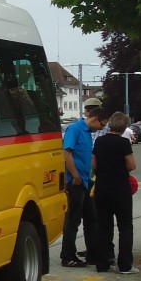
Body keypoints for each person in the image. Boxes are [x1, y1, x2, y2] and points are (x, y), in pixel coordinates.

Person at [60, 104, 106, 267]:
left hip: (86, 181)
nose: (101, 128)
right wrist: (75, 175)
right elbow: (67, 153)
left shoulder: (87, 132)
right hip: (76, 181)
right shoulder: (75, 129)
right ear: (95, 119)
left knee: (91, 218)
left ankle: (92, 254)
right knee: (73, 220)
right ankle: (68, 256)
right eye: (101, 125)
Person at [93, 112, 139, 274]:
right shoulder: (124, 143)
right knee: (125, 227)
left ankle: (103, 264)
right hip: (120, 188)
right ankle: (125, 265)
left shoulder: (99, 141)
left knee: (103, 226)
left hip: (102, 188)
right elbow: (131, 165)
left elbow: (94, 164)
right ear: (124, 127)